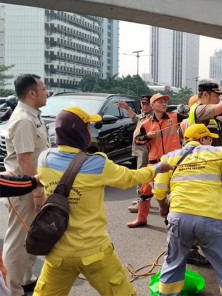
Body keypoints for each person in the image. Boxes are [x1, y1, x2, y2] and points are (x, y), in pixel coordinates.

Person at [34, 106, 172, 295]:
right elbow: (130, 177)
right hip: (94, 251)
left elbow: (39, 180)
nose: (90, 131)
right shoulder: (96, 163)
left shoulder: (44, 159)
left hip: (58, 252)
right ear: (80, 131)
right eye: (88, 126)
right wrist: (157, 169)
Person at [154, 124, 222, 296]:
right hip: (210, 219)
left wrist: (163, 208)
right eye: (209, 138)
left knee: (172, 263)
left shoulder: (169, 156)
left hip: (178, 218)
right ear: (202, 139)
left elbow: (159, 190)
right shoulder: (216, 153)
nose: (211, 142)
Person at [2, 74, 50, 296]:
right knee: (17, 240)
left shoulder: (32, 116)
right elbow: (24, 160)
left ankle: (24, 278)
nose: (46, 91)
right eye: (43, 88)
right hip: (24, 189)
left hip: (31, 187)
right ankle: (11, 289)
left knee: (31, 235)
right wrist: (37, 191)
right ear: (32, 93)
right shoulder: (23, 119)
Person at [130, 93, 183, 228]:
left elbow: (192, 119)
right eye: (160, 102)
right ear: (152, 105)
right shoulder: (145, 123)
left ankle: (172, 221)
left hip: (173, 162)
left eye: (165, 102)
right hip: (155, 162)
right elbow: (137, 140)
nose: (164, 104)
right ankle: (141, 219)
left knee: (176, 192)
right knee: (145, 189)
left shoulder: (175, 117)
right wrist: (147, 136)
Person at [0, 173, 40, 296]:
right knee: (16, 243)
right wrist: (36, 181)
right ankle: (13, 290)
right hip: (24, 191)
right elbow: (7, 184)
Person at [117, 95, 153, 214]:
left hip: (145, 150)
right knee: (142, 174)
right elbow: (134, 118)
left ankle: (141, 200)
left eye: (147, 103)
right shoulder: (143, 115)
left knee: (141, 175)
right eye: (143, 103)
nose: (144, 105)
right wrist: (127, 108)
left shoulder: (153, 117)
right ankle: (143, 198)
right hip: (139, 149)